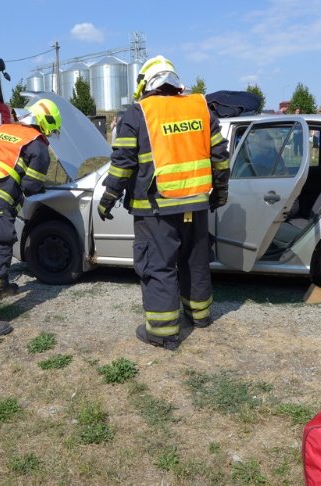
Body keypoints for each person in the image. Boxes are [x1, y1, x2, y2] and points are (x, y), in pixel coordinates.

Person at [97, 55, 230, 350]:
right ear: (175, 81)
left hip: (155, 208)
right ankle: (200, 316)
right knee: (195, 261)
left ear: (145, 84)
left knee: (158, 266)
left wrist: (108, 198)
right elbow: (220, 157)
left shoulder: (139, 113)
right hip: (196, 205)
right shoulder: (200, 108)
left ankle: (163, 332)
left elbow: (122, 164)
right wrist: (220, 193)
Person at [0, 98, 60, 337]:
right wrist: (45, 187)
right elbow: (31, 187)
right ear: (46, 123)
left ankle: (1, 286)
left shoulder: (4, 129)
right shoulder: (37, 145)